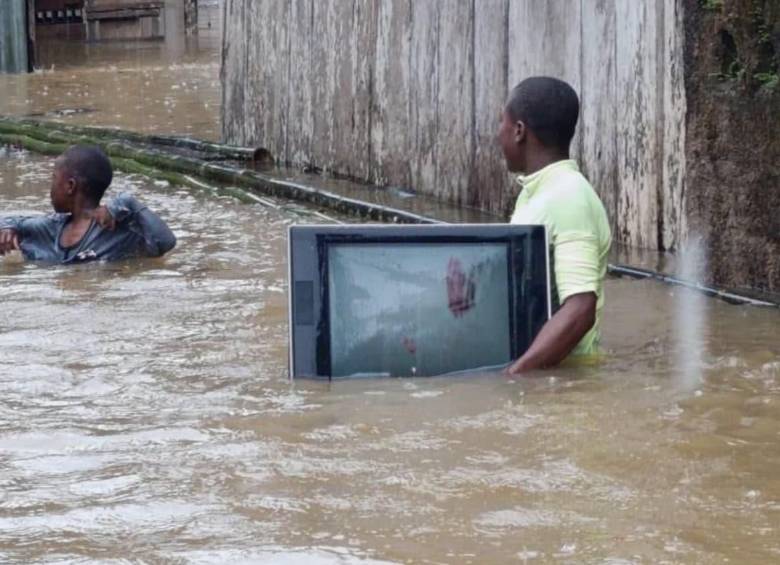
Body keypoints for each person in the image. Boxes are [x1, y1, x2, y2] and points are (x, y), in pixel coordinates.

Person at [497, 77, 611, 374]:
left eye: (502, 123)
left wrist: (515, 374)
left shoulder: (569, 197)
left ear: (519, 131)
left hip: (566, 381)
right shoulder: (536, 192)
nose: (499, 133)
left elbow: (580, 308)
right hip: (544, 371)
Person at [0, 145, 176, 263]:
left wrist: (128, 201)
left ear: (70, 186)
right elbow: (10, 220)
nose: (51, 188)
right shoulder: (51, 226)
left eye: (54, 179)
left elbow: (165, 242)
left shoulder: (117, 231)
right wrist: (8, 227)